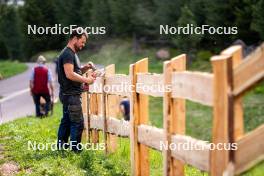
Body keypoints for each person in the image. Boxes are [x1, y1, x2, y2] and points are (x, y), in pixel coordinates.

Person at [57, 28, 95, 152]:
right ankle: (76, 151)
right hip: (71, 95)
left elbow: (75, 72)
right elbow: (69, 74)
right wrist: (87, 80)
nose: (83, 45)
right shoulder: (68, 54)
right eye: (82, 42)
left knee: (67, 121)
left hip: (67, 94)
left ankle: (61, 147)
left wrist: (85, 68)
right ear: (74, 39)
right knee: (78, 123)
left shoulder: (71, 54)